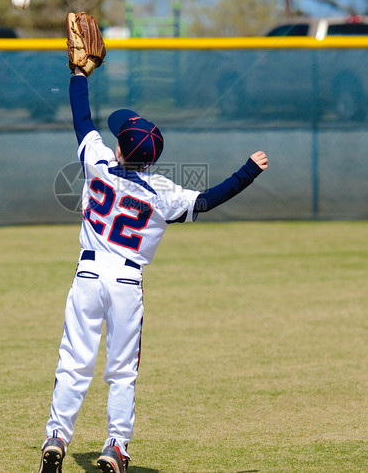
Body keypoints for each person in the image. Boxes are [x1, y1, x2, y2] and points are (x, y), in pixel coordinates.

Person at [39, 23, 268, 473]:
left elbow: (81, 120)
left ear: (121, 149)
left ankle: (56, 437)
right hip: (127, 282)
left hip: (87, 276)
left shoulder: (100, 165)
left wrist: (79, 76)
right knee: (121, 371)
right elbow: (207, 199)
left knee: (74, 362)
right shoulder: (162, 193)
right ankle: (115, 447)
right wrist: (248, 171)